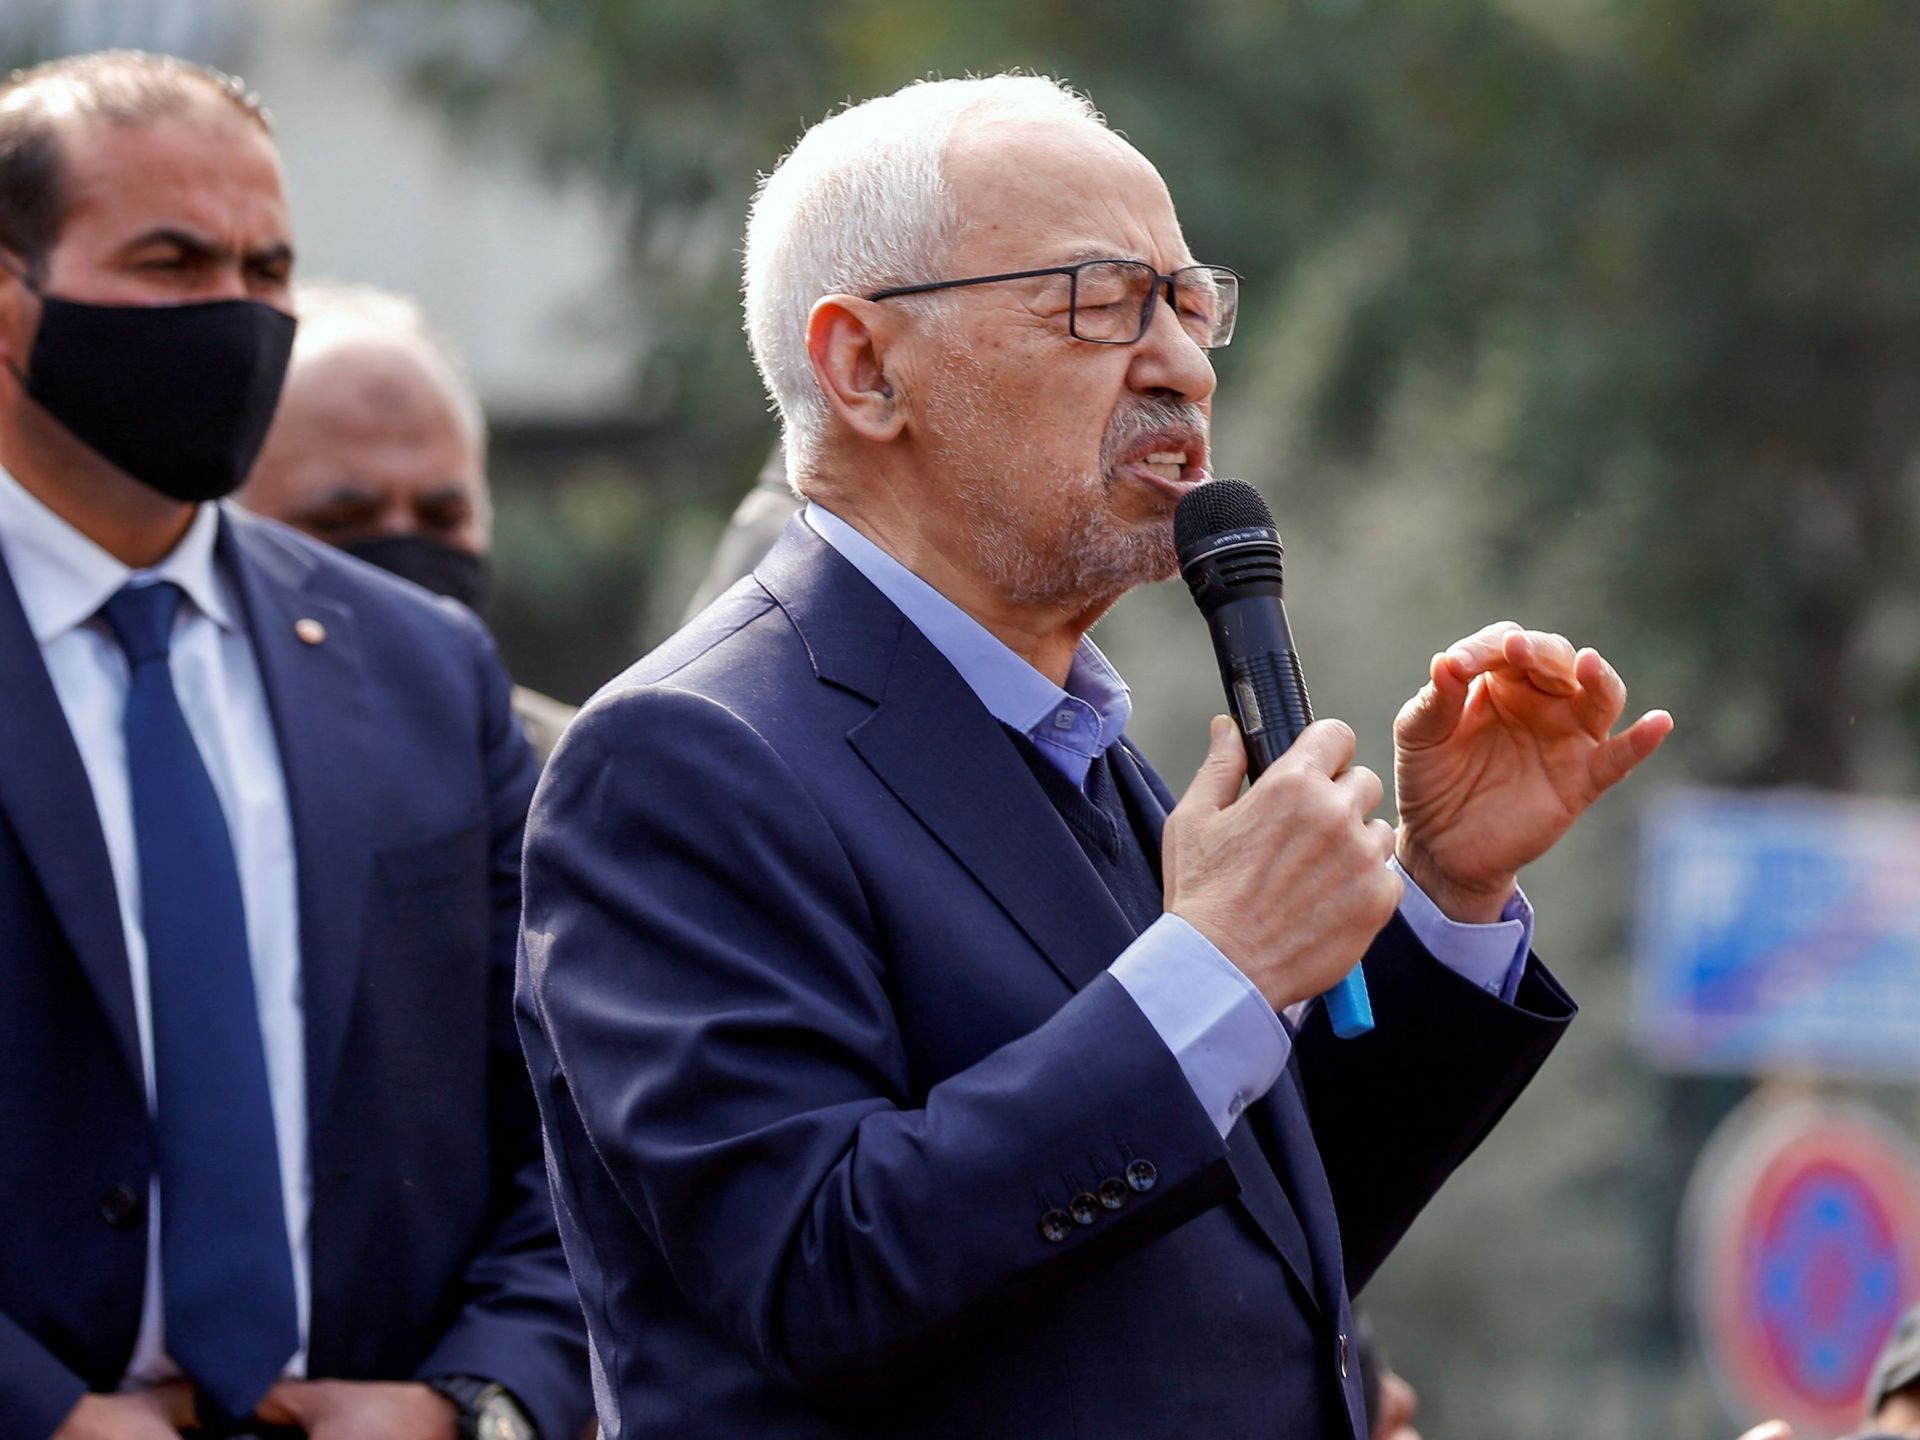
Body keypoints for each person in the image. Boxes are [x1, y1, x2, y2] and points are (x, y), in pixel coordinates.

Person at [517, 74, 1673, 1438]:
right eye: (1101, 301)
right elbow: (820, 1271)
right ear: (865, 366)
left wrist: (1446, 895)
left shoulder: (1068, 744)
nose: (1185, 365)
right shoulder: (683, 759)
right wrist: (1219, 965)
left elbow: (1239, 1241)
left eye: (1189, 303)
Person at [0, 52, 588, 1440]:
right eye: (171, 261)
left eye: (267, 267)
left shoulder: (422, 666)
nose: (236, 310)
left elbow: (571, 1111)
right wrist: (42, 1413)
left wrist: (472, 1401)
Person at [239, 279, 577, 764]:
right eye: (343, 519)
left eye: (442, 517)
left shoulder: (576, 779)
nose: (402, 540)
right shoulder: (193, 769)